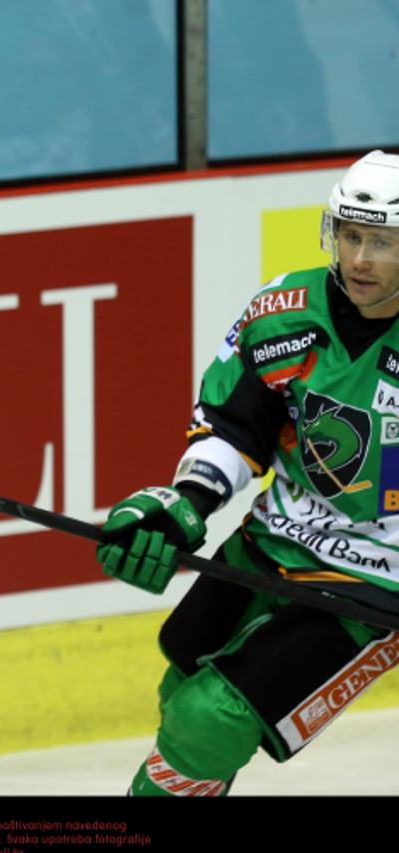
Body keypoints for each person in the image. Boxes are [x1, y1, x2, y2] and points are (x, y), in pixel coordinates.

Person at [97, 149, 399, 796]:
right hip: (271, 542)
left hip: (375, 587)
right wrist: (186, 503)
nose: (360, 259)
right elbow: (237, 426)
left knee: (211, 719)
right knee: (183, 686)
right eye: (351, 235)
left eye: (382, 241)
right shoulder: (286, 311)